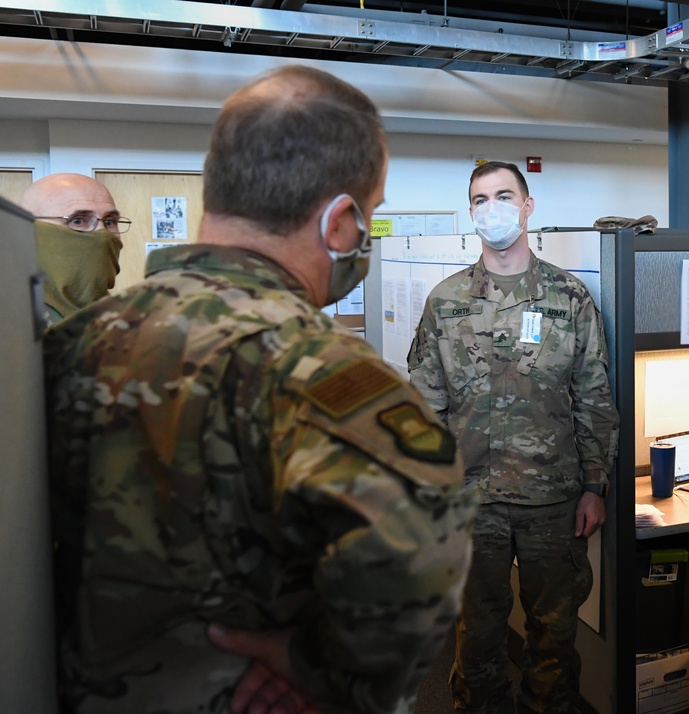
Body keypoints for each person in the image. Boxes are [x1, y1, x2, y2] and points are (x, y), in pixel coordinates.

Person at [44, 64, 476, 714]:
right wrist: (320, 669)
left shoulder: (69, 344)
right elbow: (419, 553)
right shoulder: (319, 367)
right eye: (372, 216)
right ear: (339, 222)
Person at [406, 161, 619, 714]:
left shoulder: (568, 298)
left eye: (504, 195)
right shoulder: (446, 301)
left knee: (553, 635)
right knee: (477, 635)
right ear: (472, 213)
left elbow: (595, 399)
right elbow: (424, 405)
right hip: (470, 499)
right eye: (480, 199)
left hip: (553, 498)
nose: (492, 207)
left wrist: (595, 485)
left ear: (527, 207)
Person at [20, 172, 129, 325]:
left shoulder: (135, 322)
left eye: (110, 222)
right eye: (77, 221)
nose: (102, 234)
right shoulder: (12, 326)